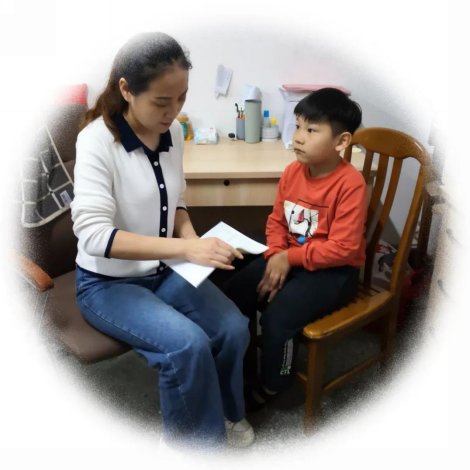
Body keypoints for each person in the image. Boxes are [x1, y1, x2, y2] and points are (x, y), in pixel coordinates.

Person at [71, 32, 254, 448]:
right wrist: (186, 248)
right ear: (126, 90)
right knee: (186, 346)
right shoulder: (97, 141)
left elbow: (176, 201)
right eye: (161, 102)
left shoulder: (172, 135)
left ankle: (226, 413)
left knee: (233, 328)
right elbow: (95, 236)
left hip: (164, 270)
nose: (174, 111)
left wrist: (192, 238)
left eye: (182, 98)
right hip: (107, 284)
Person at [225, 88, 367, 408]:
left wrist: (288, 257)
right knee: (237, 290)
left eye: (312, 130)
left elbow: (344, 249)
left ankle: (277, 381)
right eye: (299, 125)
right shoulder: (292, 172)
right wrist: (277, 253)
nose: (299, 137)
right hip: (290, 256)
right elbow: (276, 220)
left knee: (278, 320)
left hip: (334, 272)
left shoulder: (350, 184)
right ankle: (244, 362)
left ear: (341, 141)